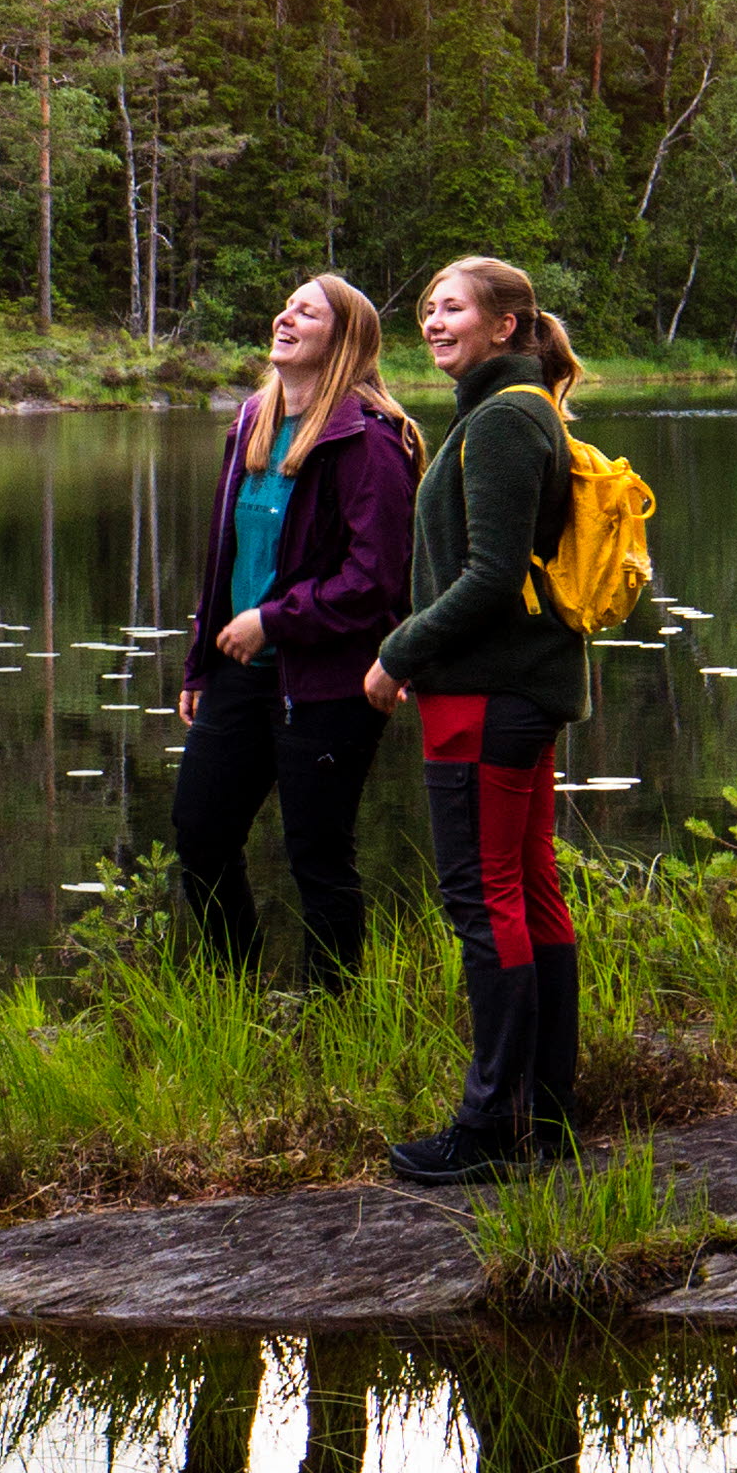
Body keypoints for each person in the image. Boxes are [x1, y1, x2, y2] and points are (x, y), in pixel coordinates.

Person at [366, 252, 592, 1185]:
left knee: (483, 896)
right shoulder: (513, 410)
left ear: (505, 325)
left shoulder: (503, 420)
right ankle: (549, 1114)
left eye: (451, 307)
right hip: (511, 690)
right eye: (426, 307)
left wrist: (397, 651)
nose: (432, 320)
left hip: (487, 695)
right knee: (527, 886)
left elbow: (492, 577)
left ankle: (494, 1129)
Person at [171, 272, 421, 989]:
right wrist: (199, 663)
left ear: (341, 342)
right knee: (202, 834)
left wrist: (275, 620)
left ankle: (332, 1019)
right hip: (238, 676)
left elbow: (376, 583)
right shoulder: (252, 419)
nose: (284, 317)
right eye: (285, 306)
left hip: (330, 684)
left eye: (305, 312)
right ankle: (236, 998)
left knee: (317, 854)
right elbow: (225, 557)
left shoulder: (372, 442)